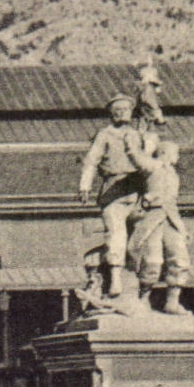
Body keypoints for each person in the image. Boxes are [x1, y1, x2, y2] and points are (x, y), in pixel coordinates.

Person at [78, 94, 158, 299]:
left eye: (125, 108)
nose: (122, 112)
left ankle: (140, 286)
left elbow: (151, 158)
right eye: (117, 109)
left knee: (144, 238)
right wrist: (85, 185)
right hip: (113, 191)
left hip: (137, 191)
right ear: (111, 113)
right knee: (116, 233)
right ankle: (114, 279)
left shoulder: (138, 133)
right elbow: (91, 160)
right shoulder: (105, 135)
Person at [123, 138, 190, 315]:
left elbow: (173, 203)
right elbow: (137, 159)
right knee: (152, 259)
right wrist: (130, 144)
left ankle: (172, 301)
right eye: (174, 152)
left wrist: (182, 228)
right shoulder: (153, 166)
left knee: (179, 257)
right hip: (152, 217)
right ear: (163, 153)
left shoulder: (173, 174)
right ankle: (144, 298)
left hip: (171, 218)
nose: (177, 156)